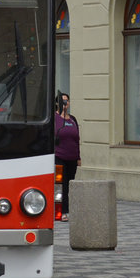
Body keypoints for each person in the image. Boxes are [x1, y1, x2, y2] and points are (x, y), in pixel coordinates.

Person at [54, 92, 81, 222]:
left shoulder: (73, 119)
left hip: (72, 157)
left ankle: (67, 209)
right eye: (63, 101)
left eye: (67, 101)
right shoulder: (54, 118)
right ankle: (61, 211)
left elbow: (77, 139)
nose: (65, 104)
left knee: (69, 184)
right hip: (60, 156)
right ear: (57, 103)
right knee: (61, 185)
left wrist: (78, 157)